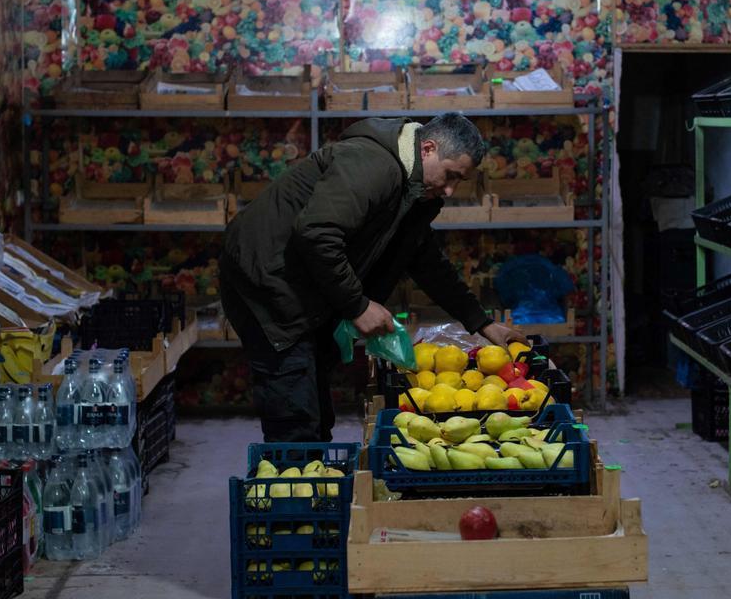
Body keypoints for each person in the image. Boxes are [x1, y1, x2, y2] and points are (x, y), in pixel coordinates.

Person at [221, 113, 525, 442]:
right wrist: (357, 306)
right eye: (451, 175)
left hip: (303, 282)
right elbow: (317, 233)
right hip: (267, 282)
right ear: (428, 149)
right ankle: (293, 484)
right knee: (294, 410)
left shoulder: (416, 190)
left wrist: (481, 322)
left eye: (459, 181)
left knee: (314, 404)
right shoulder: (372, 165)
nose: (450, 190)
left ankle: (316, 475)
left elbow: (425, 260)